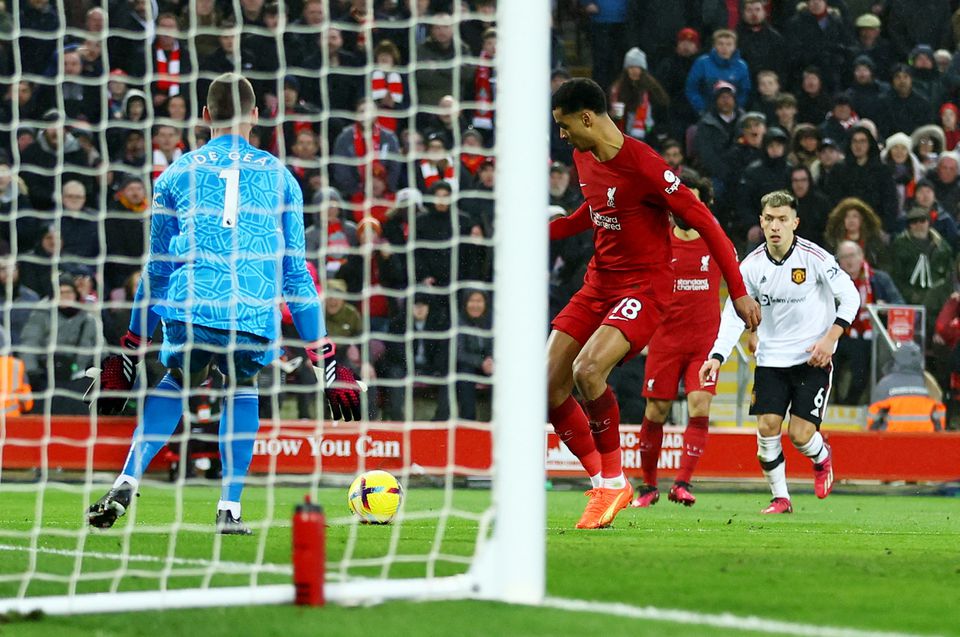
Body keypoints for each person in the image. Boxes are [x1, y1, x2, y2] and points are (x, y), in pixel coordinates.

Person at [86, 73, 363, 535]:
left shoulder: (175, 173)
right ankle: (229, 508)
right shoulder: (282, 177)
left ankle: (128, 477)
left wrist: (132, 344)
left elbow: (155, 270)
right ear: (256, 116)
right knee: (242, 385)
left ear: (205, 116)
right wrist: (325, 357)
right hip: (253, 310)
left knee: (178, 380)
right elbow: (296, 274)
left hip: (191, 305)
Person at [549, 78, 760, 529]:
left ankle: (611, 482)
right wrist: (549, 229)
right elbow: (596, 209)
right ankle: (607, 483)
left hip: (644, 289)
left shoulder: (644, 164)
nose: (562, 135)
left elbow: (705, 221)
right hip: (597, 284)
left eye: (564, 125)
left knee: (588, 371)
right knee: (546, 386)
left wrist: (738, 290)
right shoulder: (583, 156)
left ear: (586, 117)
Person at [700, 190, 860, 514]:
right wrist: (716, 356)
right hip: (771, 359)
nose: (775, 226)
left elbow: (851, 297)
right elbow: (734, 313)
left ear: (795, 222)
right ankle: (780, 497)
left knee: (800, 435)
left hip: (811, 357)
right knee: (767, 427)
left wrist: (830, 339)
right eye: (769, 219)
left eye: (782, 219)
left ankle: (821, 455)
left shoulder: (815, 258)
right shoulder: (751, 266)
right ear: (761, 221)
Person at [632, 176, 721, 509]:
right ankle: (649, 486)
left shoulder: (715, 240)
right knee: (656, 410)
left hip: (704, 344)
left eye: (694, 201)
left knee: (700, 406)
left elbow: (743, 282)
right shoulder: (658, 241)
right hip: (665, 341)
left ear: (704, 205)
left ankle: (682, 483)